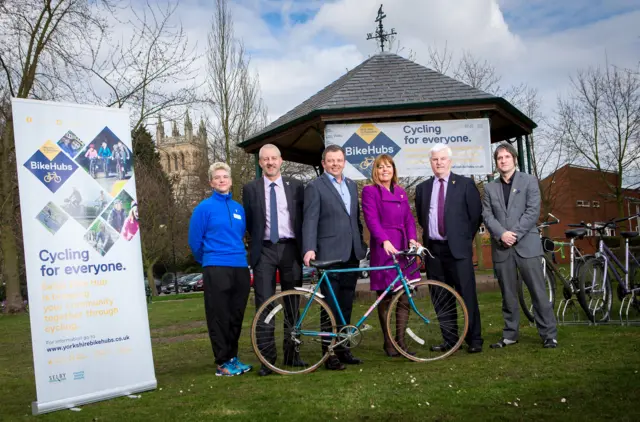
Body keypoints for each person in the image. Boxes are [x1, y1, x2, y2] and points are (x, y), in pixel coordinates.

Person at [482, 143, 558, 349]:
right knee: (508, 294)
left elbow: (533, 211)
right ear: (496, 162)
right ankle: (510, 334)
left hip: (527, 245)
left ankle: (549, 334)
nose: (503, 160)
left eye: (507, 156)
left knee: (538, 291)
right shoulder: (489, 188)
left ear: (514, 159)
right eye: (499, 158)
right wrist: (502, 234)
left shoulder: (530, 181)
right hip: (502, 247)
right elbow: (487, 215)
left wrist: (513, 234)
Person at [242, 144, 305, 376]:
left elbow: (303, 219)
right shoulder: (250, 189)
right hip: (264, 251)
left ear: (281, 160)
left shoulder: (297, 186)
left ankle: (292, 354)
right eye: (265, 159)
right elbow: (249, 222)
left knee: (292, 304)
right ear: (260, 163)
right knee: (264, 305)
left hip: (291, 249)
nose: (270, 162)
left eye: (274, 158)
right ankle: (267, 359)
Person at [302, 144, 367, 370]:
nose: (335, 164)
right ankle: (328, 354)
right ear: (324, 163)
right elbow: (310, 219)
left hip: (351, 253)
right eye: (331, 161)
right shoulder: (315, 187)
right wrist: (309, 248)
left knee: (346, 304)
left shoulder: (351, 185)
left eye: (339, 160)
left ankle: (343, 348)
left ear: (344, 162)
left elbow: (354, 219)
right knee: (329, 306)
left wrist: (361, 243)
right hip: (329, 254)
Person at [415, 143, 483, 353]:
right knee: (440, 297)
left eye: (443, 159)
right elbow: (421, 217)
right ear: (430, 162)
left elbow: (475, 216)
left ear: (450, 161)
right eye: (435, 159)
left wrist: (462, 239)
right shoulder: (422, 188)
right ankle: (451, 340)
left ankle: (474, 340)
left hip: (459, 250)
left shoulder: (464, 184)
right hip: (434, 250)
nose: (439, 163)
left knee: (466, 295)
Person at [188, 162, 252, 377]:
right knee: (219, 316)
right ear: (211, 182)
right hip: (216, 267)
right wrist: (208, 259)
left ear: (231, 181)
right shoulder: (203, 208)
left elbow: (240, 235)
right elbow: (195, 242)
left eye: (225, 176)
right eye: (217, 177)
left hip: (240, 267)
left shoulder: (238, 208)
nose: (222, 180)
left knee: (236, 315)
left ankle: (233, 358)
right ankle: (222, 362)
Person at [361, 154, 420, 357]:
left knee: (404, 295)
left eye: (388, 166)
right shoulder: (370, 191)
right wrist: (383, 240)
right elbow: (371, 219)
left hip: (403, 247)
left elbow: (409, 220)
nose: (385, 170)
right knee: (385, 296)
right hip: (384, 247)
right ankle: (388, 342)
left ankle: (401, 341)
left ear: (393, 169)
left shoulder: (401, 192)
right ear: (375, 171)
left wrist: (412, 238)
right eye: (380, 167)